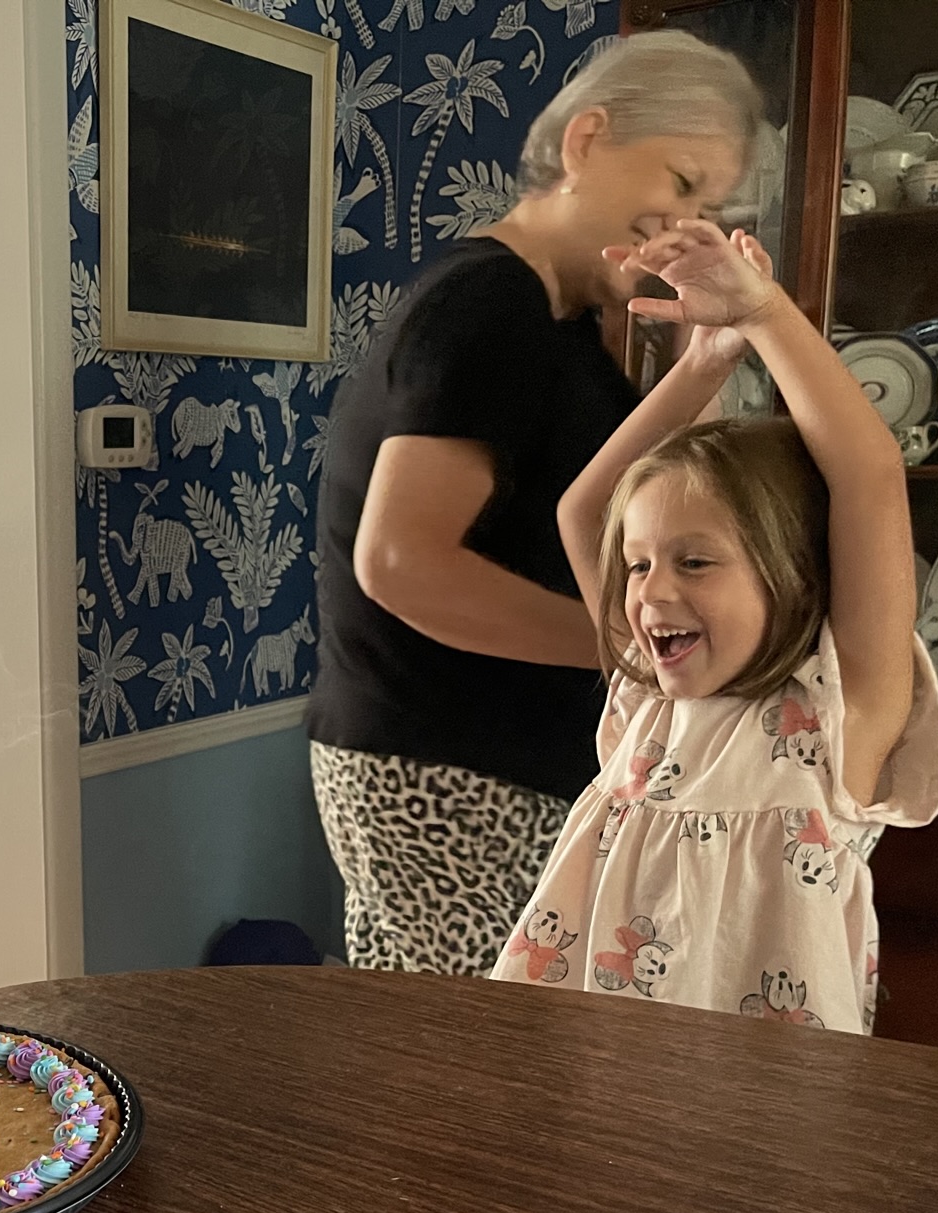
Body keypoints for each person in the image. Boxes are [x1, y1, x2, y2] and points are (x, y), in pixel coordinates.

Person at [308, 32, 761, 973]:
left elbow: (666, 496)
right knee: (493, 1051)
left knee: (464, 1043)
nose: (687, 224)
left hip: (480, 763)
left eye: (711, 208)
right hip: (453, 769)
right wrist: (628, 648)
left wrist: (707, 358)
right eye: (682, 182)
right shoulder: (491, 306)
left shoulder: (554, 323)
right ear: (586, 139)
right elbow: (402, 563)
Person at [491, 218, 938, 1031]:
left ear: (795, 575)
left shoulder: (839, 715)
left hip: (758, 1099)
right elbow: (585, 512)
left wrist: (765, 316)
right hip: (599, 1073)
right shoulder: (650, 697)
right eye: (639, 565)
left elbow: (870, 474)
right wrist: (705, 360)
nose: (650, 591)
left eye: (696, 562)